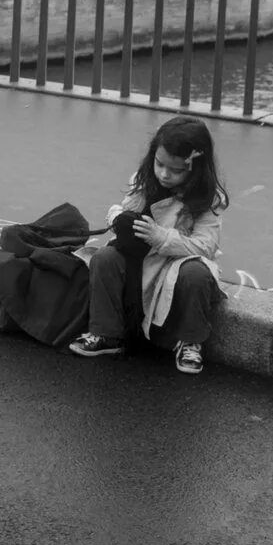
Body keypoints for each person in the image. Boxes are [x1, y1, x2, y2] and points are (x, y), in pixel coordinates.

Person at [68, 117, 230, 375]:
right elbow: (123, 210)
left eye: (176, 170)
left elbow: (205, 246)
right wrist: (118, 218)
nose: (164, 174)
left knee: (196, 275)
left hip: (178, 261)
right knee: (104, 258)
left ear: (196, 168)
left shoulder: (209, 199)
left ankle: (190, 341)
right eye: (159, 164)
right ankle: (106, 333)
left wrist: (161, 237)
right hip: (142, 257)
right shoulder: (144, 179)